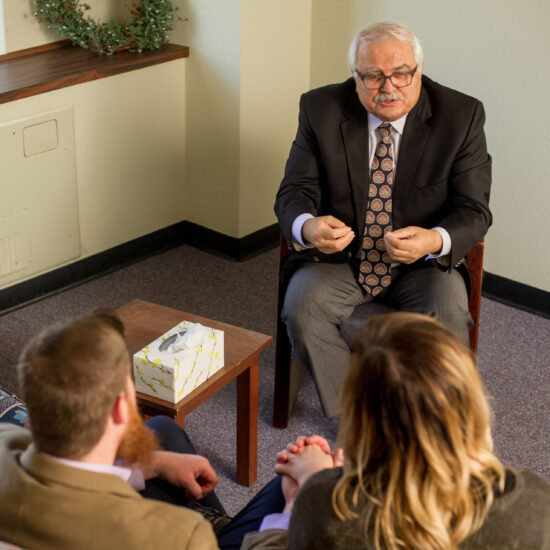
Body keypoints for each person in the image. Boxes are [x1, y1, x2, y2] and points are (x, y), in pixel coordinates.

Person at [276, 21, 492, 417]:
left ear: (419, 72)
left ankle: (428, 425)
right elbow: (293, 192)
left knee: (448, 320)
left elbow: (474, 209)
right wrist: (308, 227)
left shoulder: (460, 116)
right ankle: (354, 420)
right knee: (302, 312)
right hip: (342, 259)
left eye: (400, 74)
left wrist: (433, 240)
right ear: (355, 78)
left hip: (424, 265)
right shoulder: (319, 109)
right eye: (373, 76)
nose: (388, 87)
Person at [242, 312, 550, 550]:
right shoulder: (535, 503)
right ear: (471, 402)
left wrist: (301, 496)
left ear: (361, 424)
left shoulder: (326, 504)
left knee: (274, 491)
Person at [0, 310, 285, 550]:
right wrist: (293, 512)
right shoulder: (182, 536)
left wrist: (155, 463)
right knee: (289, 489)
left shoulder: (6, 441)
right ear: (121, 410)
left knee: (162, 429)